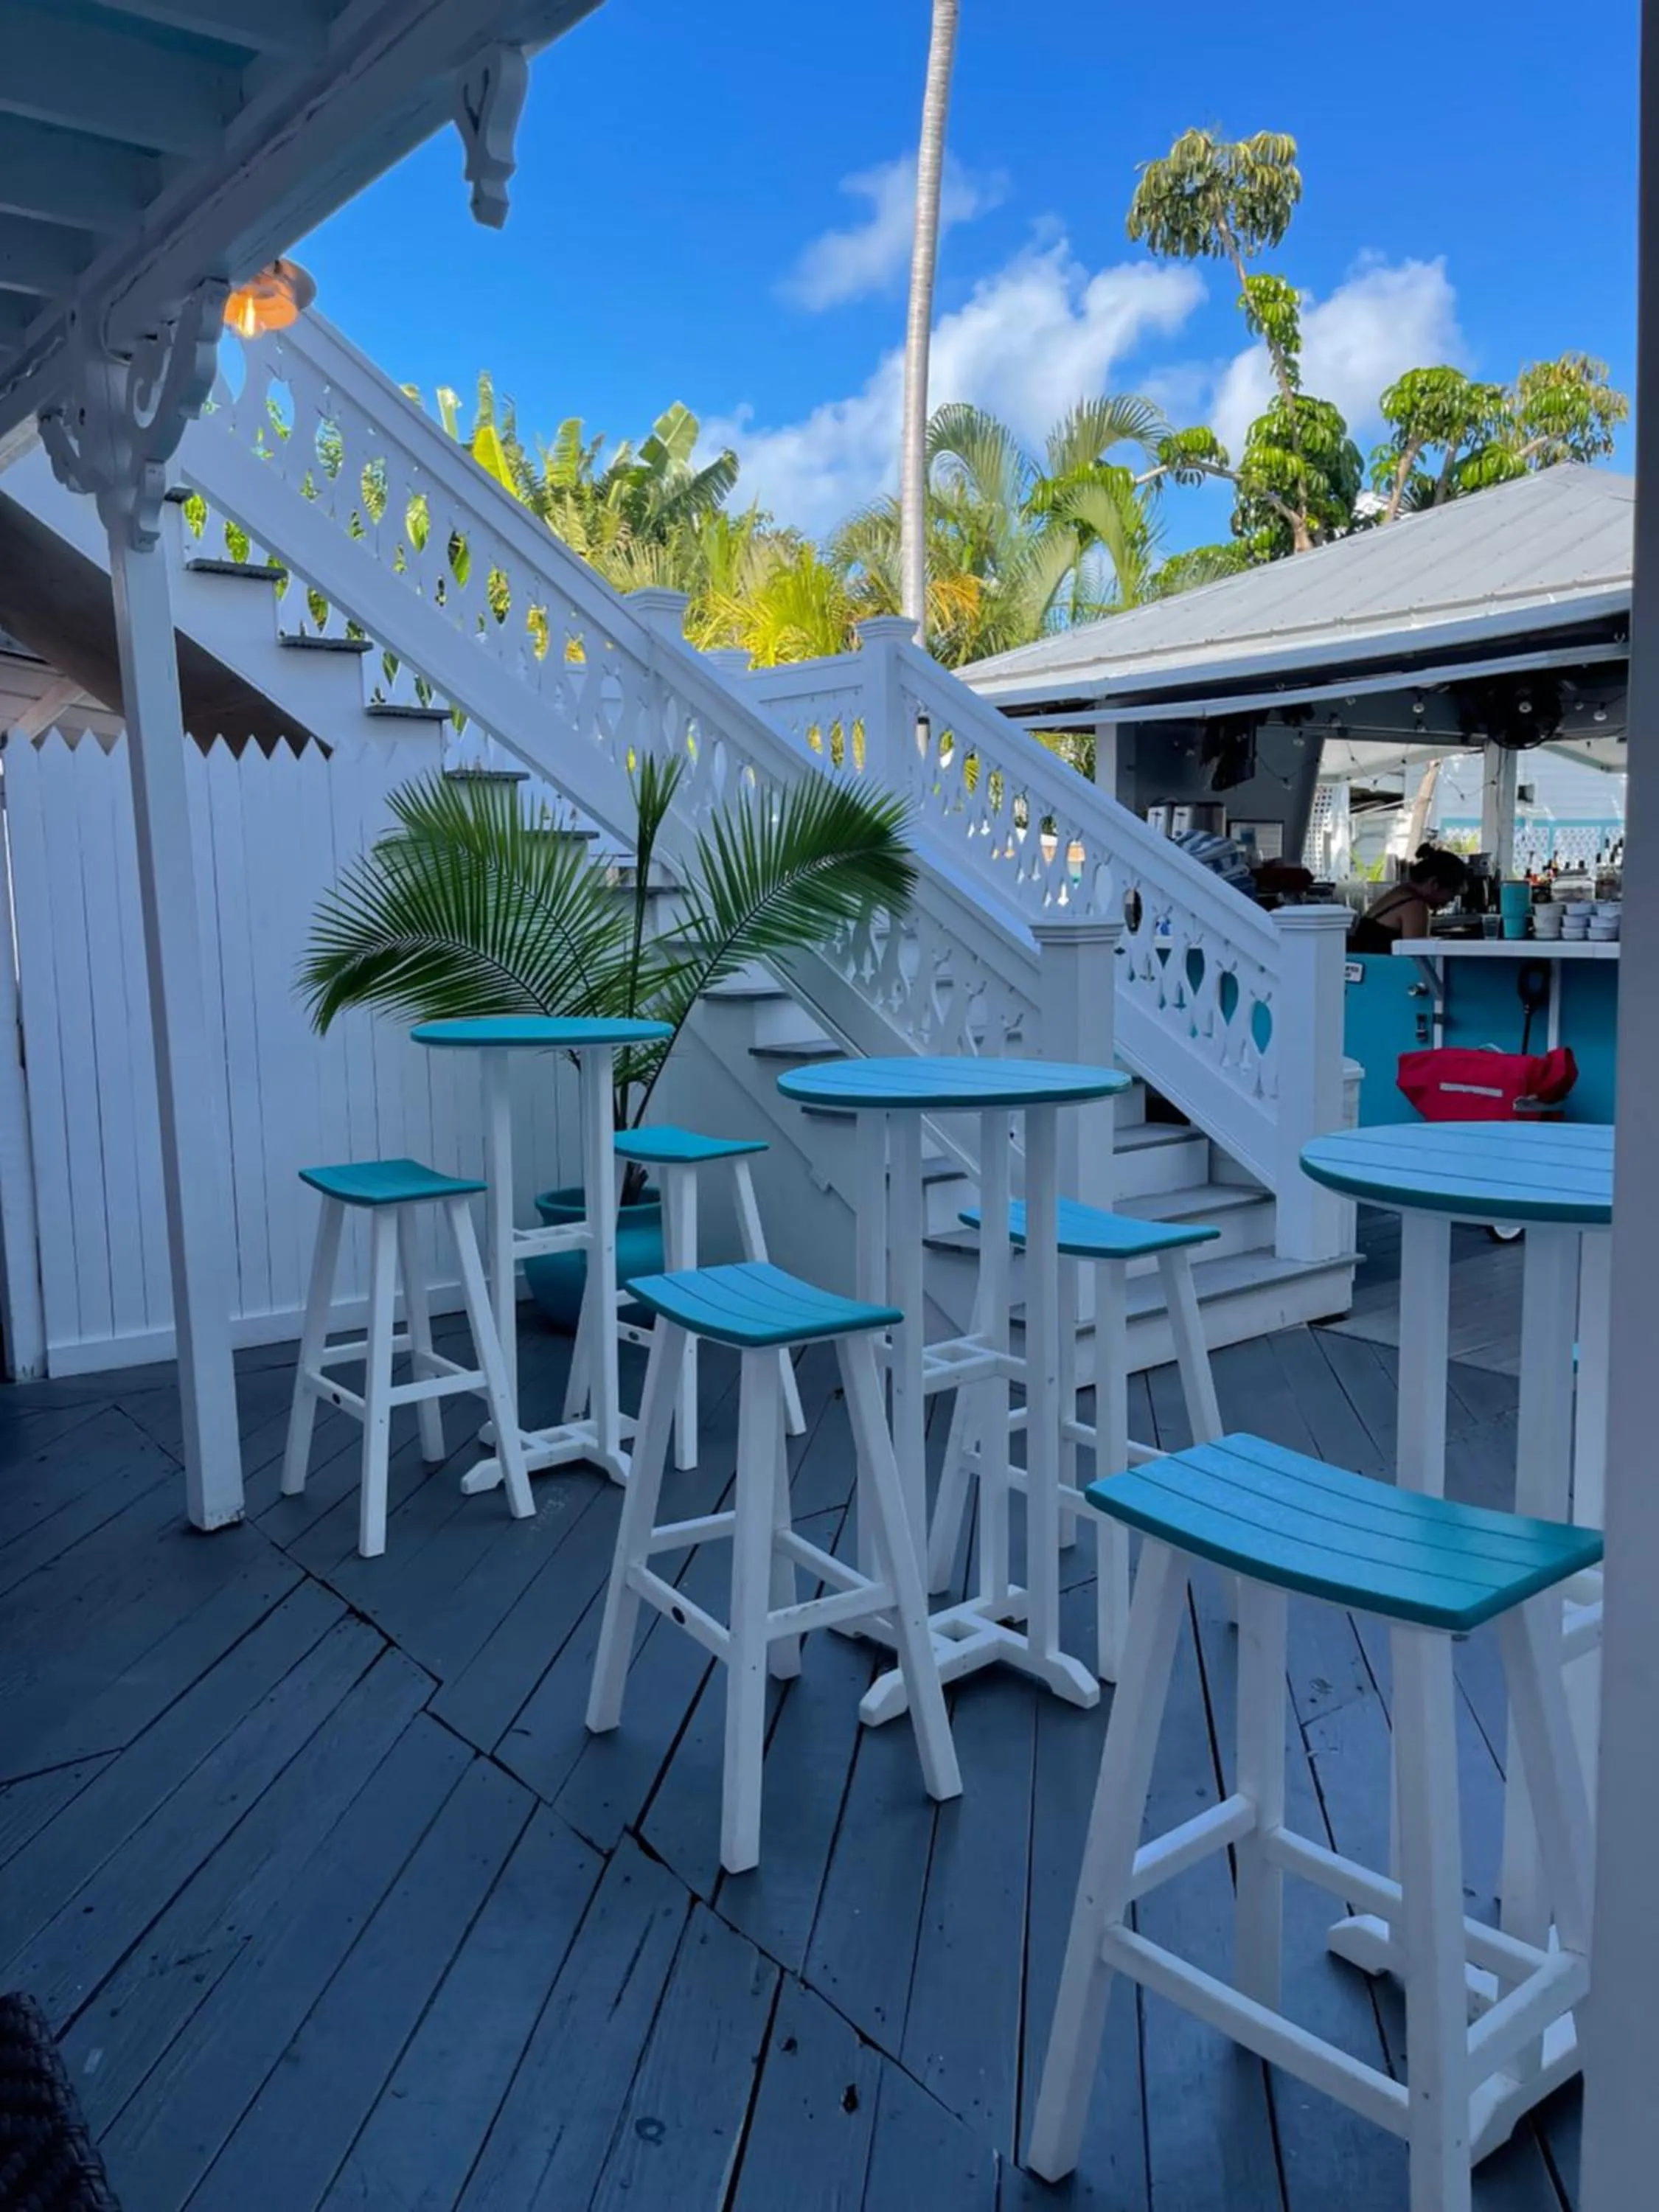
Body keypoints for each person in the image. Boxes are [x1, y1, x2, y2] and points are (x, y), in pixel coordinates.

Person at [1349, 845, 1469, 953]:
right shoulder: (1415, 906)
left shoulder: (1401, 893)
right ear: (1434, 884)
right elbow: (1419, 958)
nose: (1450, 901)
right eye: (1452, 893)